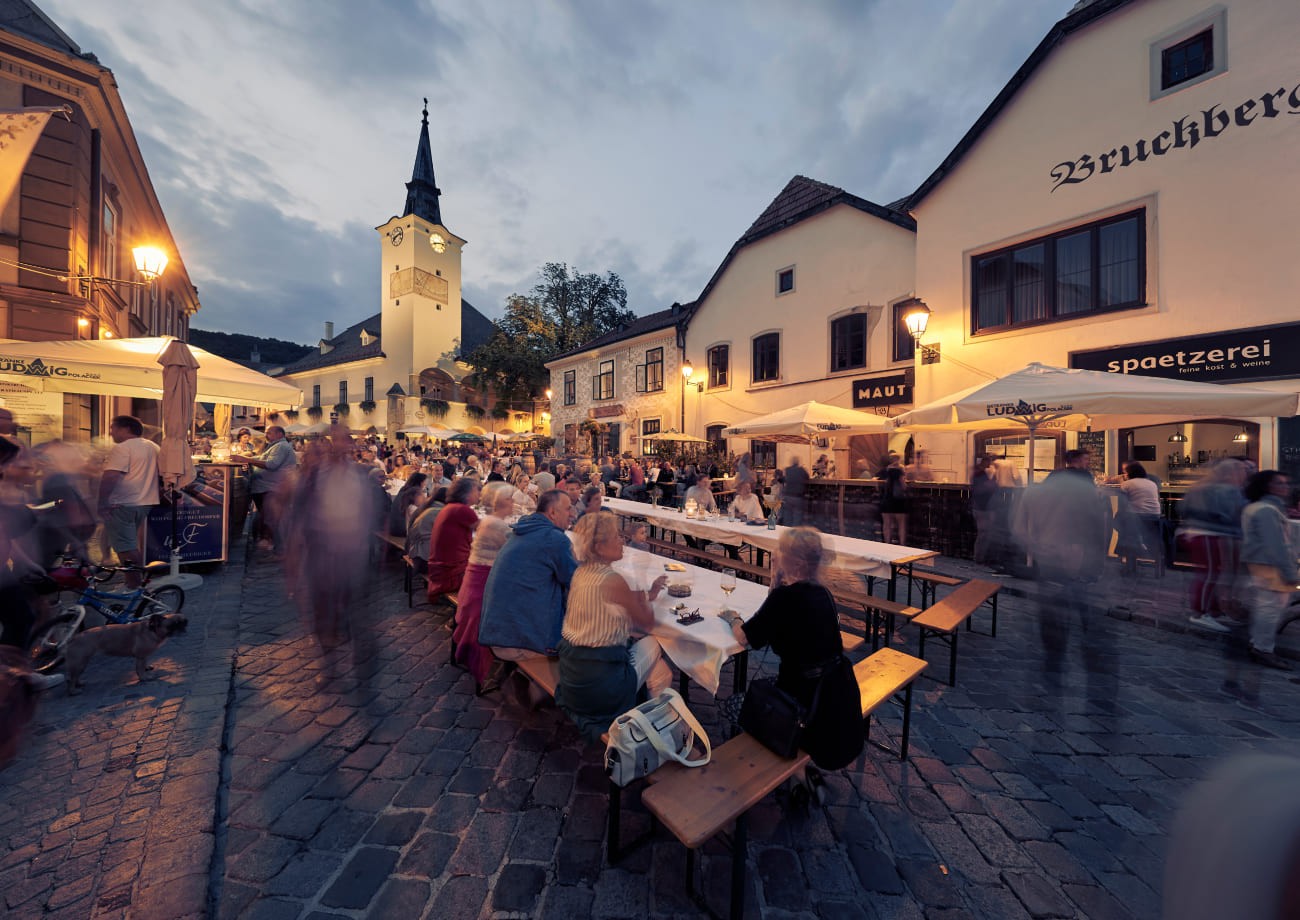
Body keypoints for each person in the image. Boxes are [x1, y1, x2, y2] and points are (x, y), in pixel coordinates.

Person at [719, 527, 863, 772]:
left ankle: (766, 773)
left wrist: (732, 618)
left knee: (733, 705)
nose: (775, 552)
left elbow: (745, 638)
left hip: (803, 709)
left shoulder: (785, 598)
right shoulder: (822, 592)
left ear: (793, 562)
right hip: (836, 694)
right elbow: (777, 612)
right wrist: (776, 577)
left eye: (780, 549)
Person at [555, 511, 673, 741]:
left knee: (660, 669)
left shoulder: (581, 572)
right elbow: (647, 623)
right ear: (599, 547)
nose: (622, 540)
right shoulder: (614, 580)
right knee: (656, 643)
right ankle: (656, 729)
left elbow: (613, 605)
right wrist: (640, 577)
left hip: (573, 677)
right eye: (616, 536)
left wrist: (647, 592)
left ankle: (653, 718)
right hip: (600, 687)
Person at [1014, 449, 1111, 696]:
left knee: (1052, 609)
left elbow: (1018, 530)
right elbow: (1100, 532)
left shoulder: (1034, 492)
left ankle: (1053, 663)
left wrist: (1037, 548)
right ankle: (1089, 661)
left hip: (1047, 560)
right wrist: (1097, 562)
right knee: (1082, 609)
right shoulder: (1088, 495)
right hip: (1079, 561)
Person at [479, 489, 579, 662]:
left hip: (497, 631)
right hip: (517, 641)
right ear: (553, 512)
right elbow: (578, 584)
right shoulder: (554, 539)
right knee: (581, 651)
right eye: (568, 508)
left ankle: (515, 682)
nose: (573, 513)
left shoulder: (524, 530)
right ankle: (533, 686)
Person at [452, 483, 515, 690]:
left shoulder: (489, 521)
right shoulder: (498, 525)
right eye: (511, 499)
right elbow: (515, 553)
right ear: (501, 503)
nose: (514, 503)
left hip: (475, 579)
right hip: (484, 586)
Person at [1179, 459, 1247, 633]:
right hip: (1211, 534)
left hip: (1196, 533)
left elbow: (1182, 508)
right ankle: (1201, 613)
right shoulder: (1228, 490)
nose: (1245, 474)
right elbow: (1234, 514)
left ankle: (1212, 611)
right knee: (1210, 574)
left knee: (1211, 573)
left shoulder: (1199, 487)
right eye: (1242, 470)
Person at [1239, 470, 1297, 670]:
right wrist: (1289, 572)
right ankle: (1263, 649)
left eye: (1286, 483)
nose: (1285, 487)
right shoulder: (1267, 510)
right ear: (1266, 486)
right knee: (1270, 610)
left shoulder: (1258, 507)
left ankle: (1259, 645)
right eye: (1279, 483)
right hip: (1269, 566)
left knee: (1267, 608)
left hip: (1261, 564)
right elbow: (1276, 544)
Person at [97, 415, 160, 588]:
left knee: (126, 548)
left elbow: (110, 476)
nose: (111, 433)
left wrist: (102, 502)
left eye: (113, 428)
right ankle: (135, 583)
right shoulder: (153, 447)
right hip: (145, 502)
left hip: (122, 503)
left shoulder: (123, 448)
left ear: (125, 429)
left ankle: (134, 586)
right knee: (131, 544)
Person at [232, 425, 297, 552]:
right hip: (267, 487)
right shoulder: (275, 446)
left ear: (279, 434)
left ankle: (272, 548)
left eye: (269, 433)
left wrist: (246, 459)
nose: (266, 435)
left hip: (272, 488)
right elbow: (263, 459)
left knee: (271, 519)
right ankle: (268, 546)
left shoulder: (281, 446)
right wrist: (248, 459)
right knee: (267, 518)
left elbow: (271, 464)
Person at [427, 476, 480, 604]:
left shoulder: (450, 507)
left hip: (439, 569)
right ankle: (467, 617)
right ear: (467, 493)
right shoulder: (462, 510)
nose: (479, 493)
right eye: (477, 490)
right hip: (451, 573)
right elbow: (487, 531)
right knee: (489, 576)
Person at [1106, 461, 1162, 574]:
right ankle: (1138, 542)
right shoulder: (1152, 483)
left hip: (1138, 518)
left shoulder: (1128, 484)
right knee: (1123, 521)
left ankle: (1129, 556)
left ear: (1130, 473)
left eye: (1126, 473)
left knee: (1119, 521)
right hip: (1155, 518)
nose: (1124, 475)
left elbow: (1121, 500)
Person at [970, 455, 1000, 570]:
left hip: (981, 507)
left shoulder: (979, 473)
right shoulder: (979, 474)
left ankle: (981, 558)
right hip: (982, 508)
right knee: (983, 534)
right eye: (988, 461)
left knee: (984, 534)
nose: (990, 463)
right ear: (984, 461)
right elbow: (985, 489)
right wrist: (995, 479)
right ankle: (979, 558)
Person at [387, 472, 428, 538]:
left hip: (392, 527)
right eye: (425, 482)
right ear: (420, 482)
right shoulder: (413, 493)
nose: (426, 484)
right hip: (402, 529)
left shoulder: (404, 489)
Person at [879, 453, 908, 545]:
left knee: (887, 524)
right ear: (899, 459)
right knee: (901, 524)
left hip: (887, 498)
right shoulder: (899, 470)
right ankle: (902, 545)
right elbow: (903, 486)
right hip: (898, 499)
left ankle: (887, 544)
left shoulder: (885, 470)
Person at [781, 456, 809, 526]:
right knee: (797, 517)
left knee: (787, 516)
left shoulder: (787, 469)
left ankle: (786, 532)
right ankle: (795, 533)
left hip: (787, 496)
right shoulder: (801, 470)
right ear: (798, 463)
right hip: (797, 496)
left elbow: (783, 479)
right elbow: (807, 477)